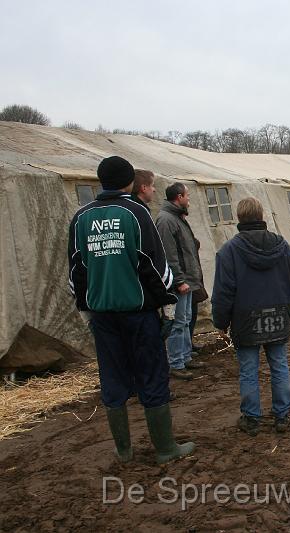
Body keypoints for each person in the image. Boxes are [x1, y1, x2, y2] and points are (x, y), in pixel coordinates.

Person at [67, 155, 195, 464]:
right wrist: (167, 303)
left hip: (102, 315)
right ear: (129, 183)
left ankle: (123, 450)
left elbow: (75, 271)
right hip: (137, 313)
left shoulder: (81, 217)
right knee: (151, 375)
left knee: (112, 377)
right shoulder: (136, 212)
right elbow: (153, 264)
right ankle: (165, 449)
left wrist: (86, 308)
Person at [212, 197, 290, 435]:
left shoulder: (229, 251)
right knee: (279, 366)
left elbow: (223, 292)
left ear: (239, 218)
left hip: (245, 320)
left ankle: (252, 419)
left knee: (248, 370)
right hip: (278, 316)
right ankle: (282, 416)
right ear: (261, 216)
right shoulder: (284, 248)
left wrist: (220, 323)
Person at [155, 182, 205, 380]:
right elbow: (169, 254)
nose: (189, 200)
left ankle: (185, 357)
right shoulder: (167, 220)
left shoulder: (177, 218)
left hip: (188, 280)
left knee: (184, 321)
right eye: (187, 196)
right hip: (180, 282)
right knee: (177, 323)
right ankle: (176, 362)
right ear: (178, 197)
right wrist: (179, 280)